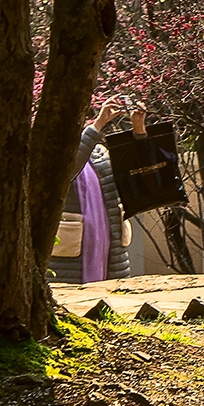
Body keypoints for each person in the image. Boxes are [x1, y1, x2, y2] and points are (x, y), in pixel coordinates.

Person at [50, 96, 133, 284]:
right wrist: (98, 126)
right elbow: (68, 168)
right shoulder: (48, 154)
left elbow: (133, 179)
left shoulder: (99, 152)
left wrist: (139, 130)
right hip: (71, 256)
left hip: (109, 251)